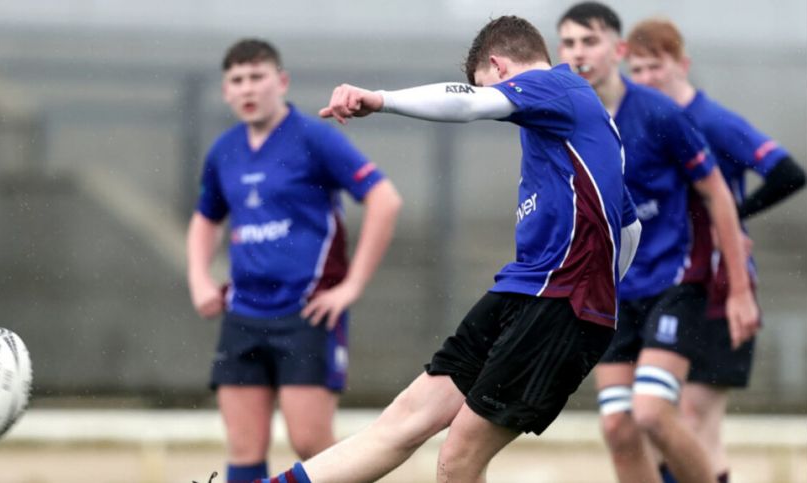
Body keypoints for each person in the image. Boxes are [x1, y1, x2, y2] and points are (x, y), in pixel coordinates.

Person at [256, 15, 642, 483]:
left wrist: (379, 100)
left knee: (459, 457)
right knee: (402, 423)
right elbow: (630, 227)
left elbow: (468, 104)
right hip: (525, 290)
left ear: (498, 67)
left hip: (560, 302)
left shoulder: (555, 88)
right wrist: (606, 296)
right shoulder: (571, 127)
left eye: (487, 85)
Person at [556, 3, 762, 483]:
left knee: (651, 412)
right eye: (568, 43)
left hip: (675, 284)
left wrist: (736, 289)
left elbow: (718, 195)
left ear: (617, 49)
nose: (579, 52)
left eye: (590, 41)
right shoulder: (566, 121)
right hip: (612, 294)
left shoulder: (661, 113)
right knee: (618, 427)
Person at [186, 38, 403, 483]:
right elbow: (205, 220)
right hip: (242, 312)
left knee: (312, 447)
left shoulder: (314, 137)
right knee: (244, 447)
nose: (248, 89)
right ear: (226, 91)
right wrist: (199, 279)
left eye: (257, 77)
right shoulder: (224, 151)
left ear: (281, 81)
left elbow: (384, 199)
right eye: (237, 80)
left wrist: (352, 286)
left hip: (307, 313)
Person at [625, 18, 807, 483]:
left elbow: (788, 173)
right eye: (637, 69)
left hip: (720, 287)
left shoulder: (710, 120)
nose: (647, 79)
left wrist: (737, 214)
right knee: (658, 422)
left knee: (690, 423)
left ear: (681, 64)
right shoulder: (644, 123)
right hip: (673, 285)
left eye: (656, 67)